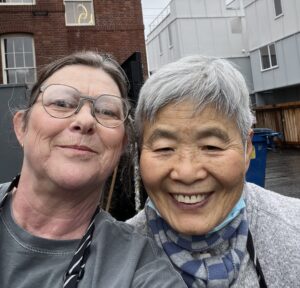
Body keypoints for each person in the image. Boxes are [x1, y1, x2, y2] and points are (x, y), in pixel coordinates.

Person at [0, 51, 187, 288]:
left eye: (107, 111)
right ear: (21, 126)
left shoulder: (139, 266)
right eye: (62, 103)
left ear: (121, 145)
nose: (86, 120)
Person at [127, 55, 300, 287]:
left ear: (247, 148)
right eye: (164, 148)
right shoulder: (111, 258)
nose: (187, 173)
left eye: (211, 146)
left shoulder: (293, 230)